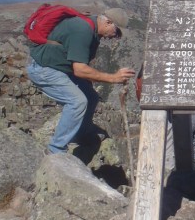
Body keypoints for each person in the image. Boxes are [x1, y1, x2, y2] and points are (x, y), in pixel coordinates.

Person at [27, 9, 135, 155]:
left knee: (91, 97)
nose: (115, 36)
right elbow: (80, 70)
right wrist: (113, 78)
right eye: (116, 32)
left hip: (60, 69)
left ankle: (80, 134)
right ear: (108, 22)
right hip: (44, 70)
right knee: (77, 101)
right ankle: (56, 150)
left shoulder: (93, 30)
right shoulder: (83, 30)